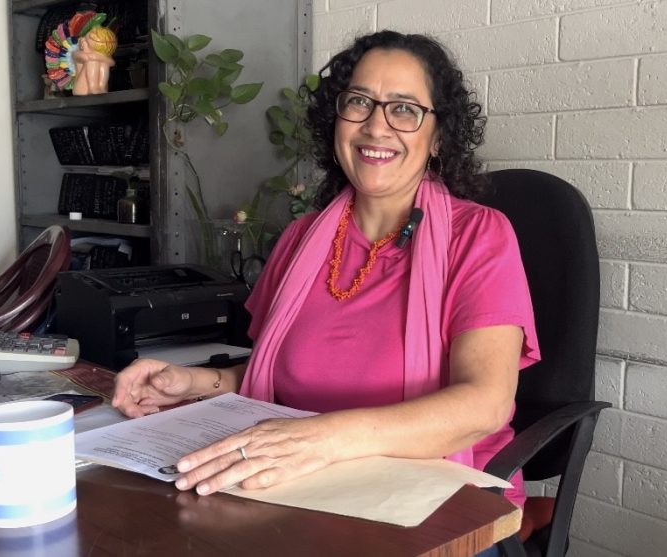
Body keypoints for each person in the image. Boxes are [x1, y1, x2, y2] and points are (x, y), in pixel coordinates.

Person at [112, 31, 539, 517]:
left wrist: (320, 439)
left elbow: (484, 406)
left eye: (404, 109)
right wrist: (192, 382)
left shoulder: (479, 235)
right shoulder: (301, 239)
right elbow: (277, 377)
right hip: (304, 486)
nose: (376, 126)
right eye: (359, 102)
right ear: (336, 122)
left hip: (444, 500)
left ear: (438, 136)